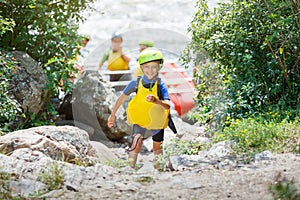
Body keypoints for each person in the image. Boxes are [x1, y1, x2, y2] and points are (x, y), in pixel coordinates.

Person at [107, 48, 171, 169]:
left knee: (157, 146)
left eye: (154, 67)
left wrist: (156, 101)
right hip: (140, 118)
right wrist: (112, 114)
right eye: (146, 67)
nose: (150, 70)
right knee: (136, 141)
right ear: (141, 67)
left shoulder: (161, 85)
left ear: (159, 67)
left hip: (157, 120)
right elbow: (120, 98)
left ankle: (159, 169)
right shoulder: (136, 83)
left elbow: (167, 105)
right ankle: (130, 168)